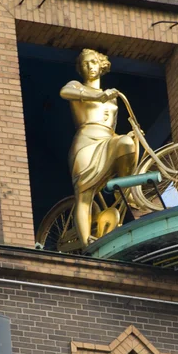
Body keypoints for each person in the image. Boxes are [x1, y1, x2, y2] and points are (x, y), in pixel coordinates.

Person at [60, 49, 137, 247]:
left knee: (127, 143)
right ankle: (86, 243)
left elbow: (112, 126)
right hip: (86, 141)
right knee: (84, 195)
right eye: (85, 63)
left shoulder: (112, 97)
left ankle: (124, 191)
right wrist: (97, 96)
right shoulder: (76, 87)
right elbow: (64, 93)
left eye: (94, 62)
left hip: (107, 139)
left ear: (101, 65)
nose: (90, 67)